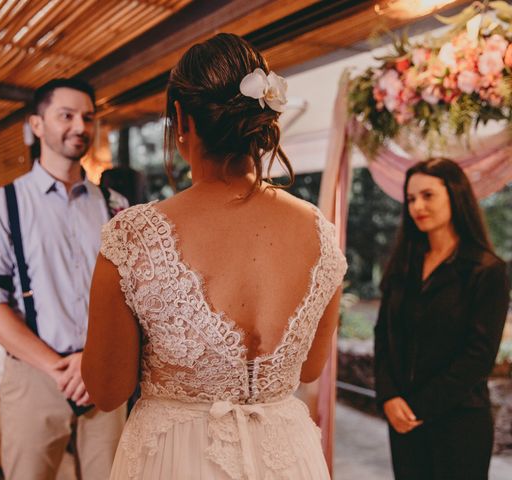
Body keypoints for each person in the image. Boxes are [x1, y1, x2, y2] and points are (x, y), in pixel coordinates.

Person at [81, 33, 347, 479]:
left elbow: (107, 391)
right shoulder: (320, 231)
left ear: (181, 118)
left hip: (175, 461)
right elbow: (310, 369)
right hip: (287, 458)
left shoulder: (134, 234)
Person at [0, 78, 126, 480]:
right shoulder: (1, 205)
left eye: (88, 118)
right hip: (35, 377)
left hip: (104, 377)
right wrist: (58, 366)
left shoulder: (116, 206)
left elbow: (131, 300)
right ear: (37, 125)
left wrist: (96, 362)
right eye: (66, 115)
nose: (80, 127)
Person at [374, 158, 510, 480]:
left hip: (459, 423)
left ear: (455, 195)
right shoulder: (402, 266)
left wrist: (418, 407)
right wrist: (389, 396)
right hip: (404, 421)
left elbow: (479, 356)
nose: (417, 206)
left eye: (428, 195)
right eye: (410, 199)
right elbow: (383, 336)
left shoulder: (486, 270)